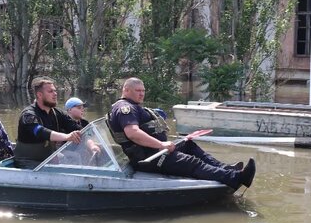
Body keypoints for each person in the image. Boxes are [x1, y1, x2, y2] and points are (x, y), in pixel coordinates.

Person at [107, 77, 256, 191]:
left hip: (156, 150)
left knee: (188, 145)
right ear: (126, 90)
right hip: (149, 157)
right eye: (137, 91)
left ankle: (226, 168)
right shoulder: (125, 108)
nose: (141, 94)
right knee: (191, 162)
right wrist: (161, 144)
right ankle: (236, 178)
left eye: (143, 91)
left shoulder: (133, 106)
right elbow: (132, 133)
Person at [14, 77, 82, 168]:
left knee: (76, 157)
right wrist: (67, 136)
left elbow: (76, 128)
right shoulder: (28, 115)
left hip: (48, 157)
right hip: (28, 162)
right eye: (50, 91)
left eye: (55, 91)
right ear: (39, 95)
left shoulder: (57, 113)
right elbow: (40, 131)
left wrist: (91, 144)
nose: (55, 94)